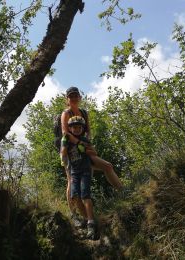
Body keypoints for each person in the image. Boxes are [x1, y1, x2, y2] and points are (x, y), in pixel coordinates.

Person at [61, 86, 122, 225]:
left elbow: (88, 131)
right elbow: (65, 133)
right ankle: (74, 214)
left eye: (76, 95)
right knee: (71, 180)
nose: (74, 98)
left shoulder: (84, 112)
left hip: (85, 149)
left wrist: (87, 144)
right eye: (71, 96)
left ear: (80, 97)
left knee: (107, 166)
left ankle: (123, 192)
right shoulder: (66, 113)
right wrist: (79, 144)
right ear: (67, 99)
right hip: (69, 151)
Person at [60, 115, 97, 239]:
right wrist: (64, 144)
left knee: (85, 196)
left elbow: (94, 152)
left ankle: (91, 223)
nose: (76, 129)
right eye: (74, 127)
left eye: (79, 127)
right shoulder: (67, 140)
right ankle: (86, 218)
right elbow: (63, 154)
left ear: (82, 128)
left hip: (85, 170)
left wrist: (85, 149)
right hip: (74, 172)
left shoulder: (85, 140)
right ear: (70, 128)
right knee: (74, 196)